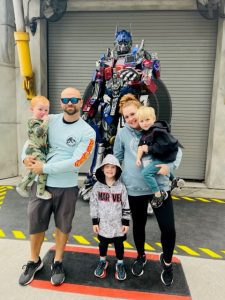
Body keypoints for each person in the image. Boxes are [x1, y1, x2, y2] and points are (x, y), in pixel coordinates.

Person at [18, 87, 96, 287]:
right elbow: (30, 142)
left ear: (81, 102)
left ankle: (58, 261)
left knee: (63, 226)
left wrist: (45, 167)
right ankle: (34, 261)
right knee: (36, 225)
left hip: (66, 186)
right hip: (40, 185)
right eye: (65, 99)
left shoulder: (87, 132)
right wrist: (24, 157)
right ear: (60, 102)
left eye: (74, 99)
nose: (70, 103)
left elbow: (77, 162)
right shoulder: (49, 119)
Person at [113, 93, 182, 286]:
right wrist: (113, 179)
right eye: (126, 117)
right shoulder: (123, 134)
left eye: (133, 114)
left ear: (141, 111)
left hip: (159, 187)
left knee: (168, 228)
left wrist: (170, 167)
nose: (131, 119)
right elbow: (116, 157)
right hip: (134, 190)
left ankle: (167, 262)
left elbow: (177, 150)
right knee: (139, 226)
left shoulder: (157, 129)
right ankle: (141, 256)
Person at [90, 154, 130, 281]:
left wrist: (126, 222)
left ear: (117, 169)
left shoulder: (121, 187)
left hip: (118, 224)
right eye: (107, 167)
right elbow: (93, 204)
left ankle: (120, 263)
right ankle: (103, 261)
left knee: (119, 244)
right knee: (103, 243)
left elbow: (126, 205)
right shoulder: (97, 187)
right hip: (103, 224)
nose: (110, 170)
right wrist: (95, 221)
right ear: (102, 169)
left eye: (113, 167)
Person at [136, 106, 181, 208]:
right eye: (142, 121)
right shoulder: (145, 133)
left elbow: (164, 145)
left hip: (165, 157)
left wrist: (149, 149)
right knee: (157, 165)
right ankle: (174, 180)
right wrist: (138, 158)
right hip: (160, 158)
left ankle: (157, 194)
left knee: (146, 173)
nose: (145, 123)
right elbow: (140, 146)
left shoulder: (158, 131)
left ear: (154, 119)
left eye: (147, 119)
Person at [16, 96, 52, 200]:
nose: (44, 112)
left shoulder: (41, 121)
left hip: (39, 150)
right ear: (32, 109)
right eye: (40, 109)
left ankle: (22, 186)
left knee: (35, 170)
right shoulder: (33, 121)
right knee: (42, 168)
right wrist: (45, 122)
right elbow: (38, 132)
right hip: (34, 149)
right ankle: (40, 192)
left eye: (46, 110)